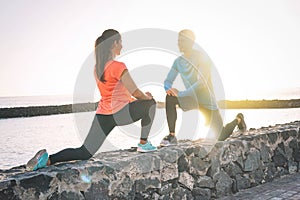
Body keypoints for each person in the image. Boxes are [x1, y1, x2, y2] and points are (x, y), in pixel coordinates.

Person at [26, 29, 157, 171]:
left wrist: (133, 99)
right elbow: (136, 92)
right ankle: (143, 144)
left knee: (85, 152)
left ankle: (48, 159)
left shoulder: (97, 68)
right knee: (150, 104)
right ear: (114, 43)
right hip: (121, 113)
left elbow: (114, 94)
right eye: (120, 42)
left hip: (103, 115)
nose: (122, 45)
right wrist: (148, 97)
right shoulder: (119, 66)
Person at [160, 29, 247, 147]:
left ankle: (238, 119)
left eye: (183, 41)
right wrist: (168, 88)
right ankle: (171, 135)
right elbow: (168, 80)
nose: (179, 43)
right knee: (170, 97)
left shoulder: (202, 58)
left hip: (207, 101)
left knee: (221, 136)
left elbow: (202, 83)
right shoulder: (178, 62)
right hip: (191, 99)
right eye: (178, 41)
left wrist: (180, 94)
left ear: (191, 42)